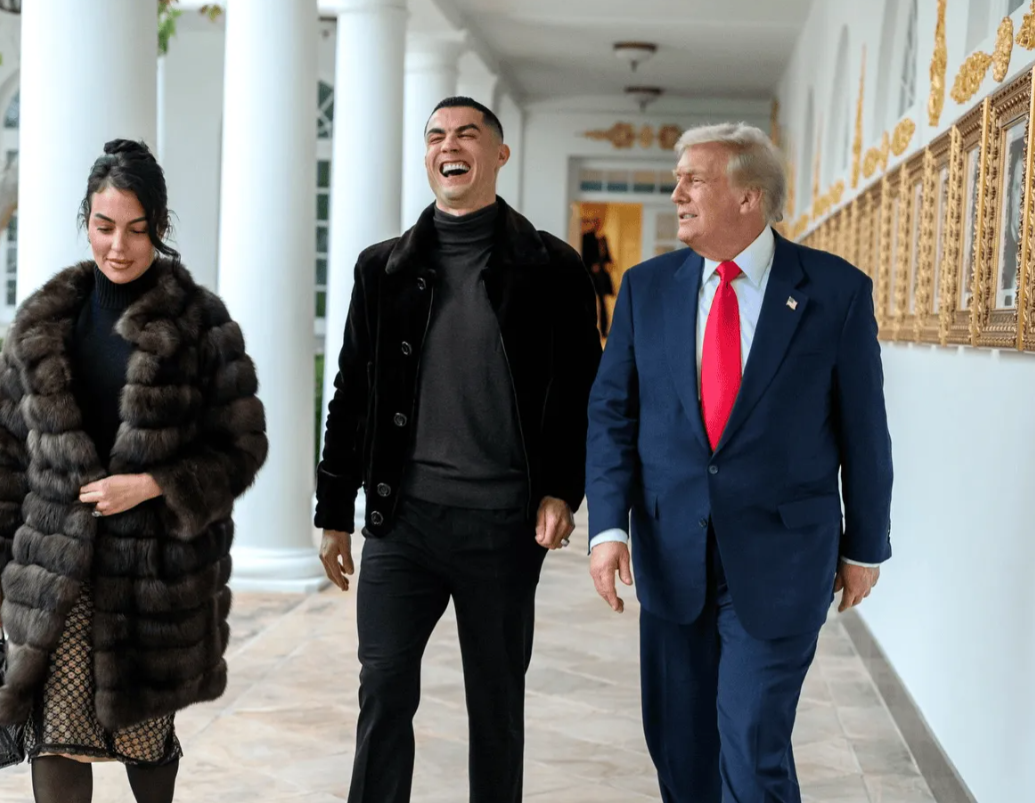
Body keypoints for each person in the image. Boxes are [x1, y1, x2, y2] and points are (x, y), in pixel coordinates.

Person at [585, 123, 893, 803]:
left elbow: (863, 430)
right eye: (677, 179)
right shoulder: (645, 289)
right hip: (669, 552)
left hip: (783, 556)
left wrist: (864, 545)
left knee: (752, 745)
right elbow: (612, 414)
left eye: (694, 178)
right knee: (681, 747)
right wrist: (606, 527)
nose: (677, 193)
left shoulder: (834, 292)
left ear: (749, 196)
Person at [315, 96, 602, 803]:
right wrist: (333, 507)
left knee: (497, 703)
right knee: (382, 685)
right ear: (426, 157)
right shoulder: (379, 269)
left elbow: (577, 393)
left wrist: (562, 489)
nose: (451, 145)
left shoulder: (554, 267)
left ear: (498, 155)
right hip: (402, 522)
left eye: (467, 134)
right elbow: (353, 390)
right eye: (437, 135)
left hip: (501, 527)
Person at [0, 139, 268, 803]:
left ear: (158, 225)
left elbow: (241, 445)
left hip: (153, 575)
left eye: (137, 229)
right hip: (55, 566)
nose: (119, 246)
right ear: (86, 221)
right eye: (104, 227)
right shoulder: (44, 321)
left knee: (144, 740)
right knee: (55, 735)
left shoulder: (200, 324)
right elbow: (4, 451)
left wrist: (156, 483)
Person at [580, 217, 615, 338]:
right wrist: (591, 266)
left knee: (603, 304)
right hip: (589, 276)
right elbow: (583, 256)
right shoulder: (585, 237)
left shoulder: (603, 239)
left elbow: (607, 257)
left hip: (601, 277)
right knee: (589, 303)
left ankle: (604, 331)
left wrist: (609, 263)